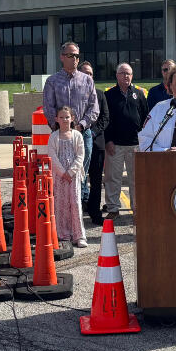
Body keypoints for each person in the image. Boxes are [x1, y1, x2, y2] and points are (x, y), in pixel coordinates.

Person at [43, 42, 99, 205]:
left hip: (82, 134)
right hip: (60, 136)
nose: (74, 59)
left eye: (76, 56)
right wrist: (61, 127)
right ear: (62, 57)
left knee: (79, 174)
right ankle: (62, 210)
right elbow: (48, 107)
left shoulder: (87, 80)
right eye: (70, 55)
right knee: (62, 174)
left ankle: (77, 210)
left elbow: (93, 107)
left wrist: (81, 125)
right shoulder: (52, 81)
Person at [103, 62, 149, 217]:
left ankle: (137, 208)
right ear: (117, 76)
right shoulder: (109, 95)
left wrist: (144, 140)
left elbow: (145, 118)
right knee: (112, 179)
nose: (126, 76)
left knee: (136, 179)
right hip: (115, 144)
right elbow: (105, 119)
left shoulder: (139, 93)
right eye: (122, 73)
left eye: (128, 73)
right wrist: (108, 140)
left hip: (136, 144)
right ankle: (113, 209)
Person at [46, 106, 88, 248]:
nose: (65, 120)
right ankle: (63, 234)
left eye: (67, 117)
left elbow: (81, 156)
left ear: (72, 118)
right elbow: (52, 156)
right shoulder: (54, 137)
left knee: (75, 203)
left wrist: (70, 172)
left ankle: (79, 235)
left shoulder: (77, 136)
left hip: (73, 175)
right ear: (56, 119)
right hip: (59, 176)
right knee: (61, 204)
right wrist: (62, 173)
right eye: (62, 117)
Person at [78, 61, 110, 224]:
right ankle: (79, 210)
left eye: (90, 73)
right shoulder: (74, 94)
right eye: (85, 73)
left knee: (96, 180)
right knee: (79, 178)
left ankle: (94, 212)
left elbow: (105, 117)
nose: (88, 76)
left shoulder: (100, 94)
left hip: (97, 143)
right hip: (78, 144)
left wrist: (93, 132)